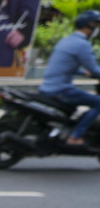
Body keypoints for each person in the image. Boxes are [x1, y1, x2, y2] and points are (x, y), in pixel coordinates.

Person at [39, 10, 100, 147]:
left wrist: (83, 73)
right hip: (61, 90)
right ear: (89, 25)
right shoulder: (82, 44)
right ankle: (75, 136)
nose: (96, 29)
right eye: (96, 25)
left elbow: (66, 66)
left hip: (48, 87)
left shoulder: (66, 40)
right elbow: (94, 69)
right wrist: (91, 72)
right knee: (98, 102)